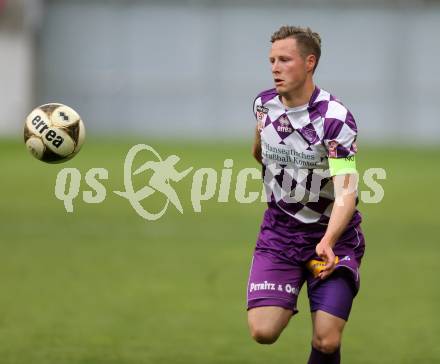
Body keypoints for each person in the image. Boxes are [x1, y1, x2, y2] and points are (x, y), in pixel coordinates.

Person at [247, 25, 365, 364]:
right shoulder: (263, 105)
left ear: (309, 62)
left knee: (326, 340)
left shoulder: (334, 119)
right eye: (271, 60)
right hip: (280, 234)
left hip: (332, 237)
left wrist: (328, 240)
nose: (275, 67)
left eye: (285, 59)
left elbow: (347, 193)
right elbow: (259, 150)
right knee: (262, 331)